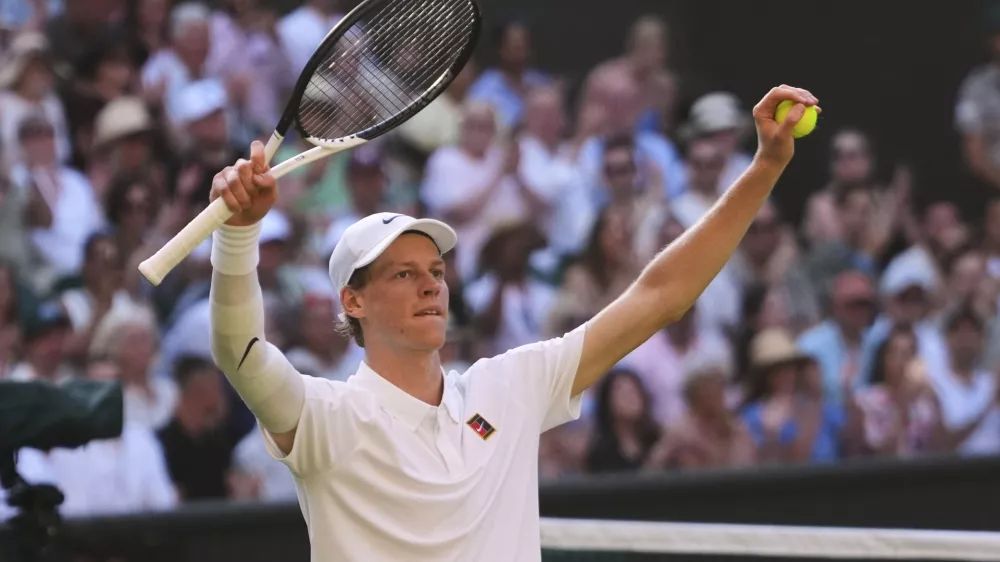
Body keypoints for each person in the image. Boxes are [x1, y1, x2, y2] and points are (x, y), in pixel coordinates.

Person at [206, 85, 818, 561]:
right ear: (353, 302)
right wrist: (238, 236)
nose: (430, 283)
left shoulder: (507, 387)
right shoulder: (326, 417)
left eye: (436, 271)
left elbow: (661, 295)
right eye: (401, 274)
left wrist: (765, 167)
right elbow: (240, 349)